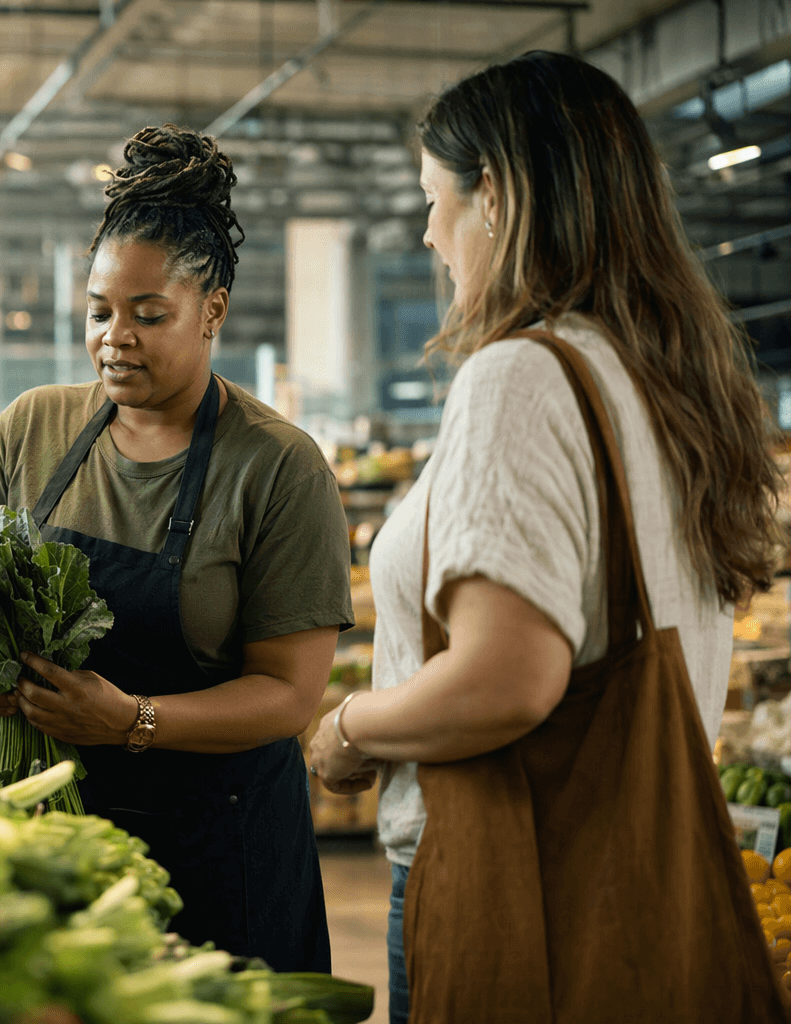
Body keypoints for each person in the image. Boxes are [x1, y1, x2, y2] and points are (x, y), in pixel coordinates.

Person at [306, 51, 788, 1023]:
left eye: (436, 199)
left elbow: (505, 679)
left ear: (496, 196)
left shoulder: (521, 377)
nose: (431, 233)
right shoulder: (664, 382)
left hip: (524, 889)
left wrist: (349, 727)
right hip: (649, 883)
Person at [0, 124, 354, 972]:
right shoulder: (33, 428)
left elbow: (287, 695)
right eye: (99, 312)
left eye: (148, 314)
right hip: (58, 843)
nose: (113, 338)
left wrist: (132, 720)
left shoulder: (277, 466)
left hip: (219, 853)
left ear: (214, 312)